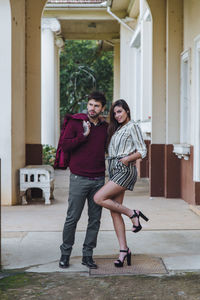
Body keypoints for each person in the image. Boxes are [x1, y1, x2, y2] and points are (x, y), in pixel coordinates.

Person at [94, 99, 148, 268]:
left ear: (127, 111)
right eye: (115, 113)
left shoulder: (133, 126)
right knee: (114, 211)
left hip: (125, 170)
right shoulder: (116, 129)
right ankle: (124, 250)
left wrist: (126, 159)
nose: (117, 115)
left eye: (120, 111)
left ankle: (133, 213)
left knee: (99, 197)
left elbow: (143, 151)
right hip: (114, 171)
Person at [59, 91, 108, 269]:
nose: (92, 108)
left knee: (95, 219)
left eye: (96, 105)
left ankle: (88, 255)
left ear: (102, 108)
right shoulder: (76, 122)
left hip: (98, 179)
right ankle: (65, 254)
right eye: (90, 104)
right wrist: (83, 135)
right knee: (72, 218)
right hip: (79, 178)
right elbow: (65, 145)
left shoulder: (105, 127)